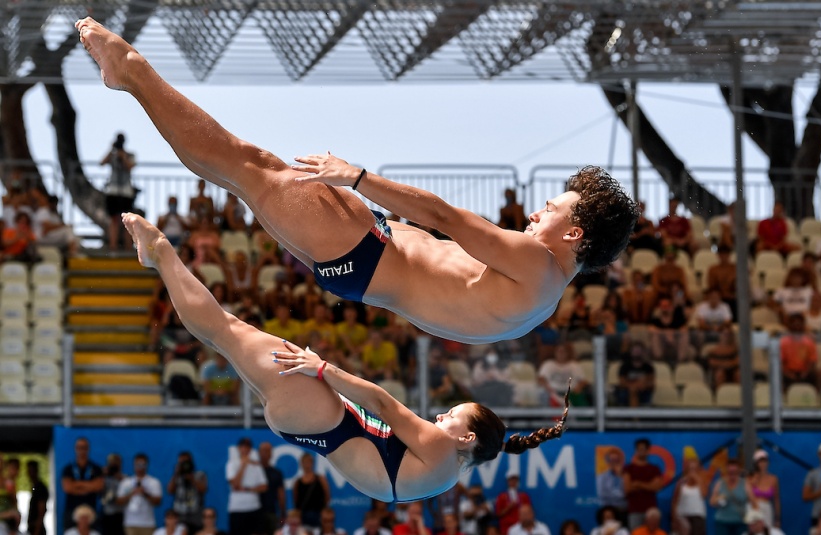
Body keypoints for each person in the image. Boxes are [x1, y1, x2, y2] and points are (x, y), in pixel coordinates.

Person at [76, 17, 637, 345]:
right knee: (243, 173)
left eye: (552, 208)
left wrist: (359, 178)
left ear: (574, 236)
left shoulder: (538, 265)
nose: (538, 212)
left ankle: (131, 72)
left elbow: (442, 218)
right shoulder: (540, 305)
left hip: (367, 250)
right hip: (359, 268)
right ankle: (130, 78)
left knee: (245, 163)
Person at [119, 212, 569, 504]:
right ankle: (159, 257)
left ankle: (160, 251)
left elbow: (385, 405)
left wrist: (323, 369)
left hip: (322, 414)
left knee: (227, 329)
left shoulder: (440, 448)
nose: (440, 413)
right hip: (312, 422)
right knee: (227, 331)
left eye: (452, 414)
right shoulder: (445, 474)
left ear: (467, 439)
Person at [100, 132, 136, 251]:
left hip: (126, 191)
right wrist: (111, 151)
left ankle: (128, 246)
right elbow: (101, 163)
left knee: (127, 220)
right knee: (114, 220)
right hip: (113, 191)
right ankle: (113, 246)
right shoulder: (113, 155)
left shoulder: (129, 154)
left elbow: (130, 166)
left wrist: (123, 156)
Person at [227, 437, 268, 535]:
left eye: (247, 447)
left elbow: (264, 487)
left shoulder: (257, 466)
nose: (245, 449)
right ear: (238, 448)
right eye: (242, 447)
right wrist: (243, 465)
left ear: (250, 449)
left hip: (254, 507)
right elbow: (235, 485)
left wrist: (247, 489)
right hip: (236, 508)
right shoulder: (231, 464)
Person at [61, 437, 104, 531]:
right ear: (75, 448)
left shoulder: (96, 468)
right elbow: (68, 488)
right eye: (79, 447)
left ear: (88, 449)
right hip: (71, 510)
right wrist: (89, 485)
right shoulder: (68, 469)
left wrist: (77, 484)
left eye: (84, 447)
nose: (82, 450)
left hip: (91, 511)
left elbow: (98, 486)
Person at [116, 453, 163, 535]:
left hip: (147, 524)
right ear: (134, 464)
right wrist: (131, 493)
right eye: (137, 464)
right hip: (130, 523)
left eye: (142, 464)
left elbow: (158, 502)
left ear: (146, 465)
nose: (139, 467)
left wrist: (145, 493)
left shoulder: (154, 482)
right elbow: (119, 501)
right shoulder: (126, 482)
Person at [624, 438, 663, 531]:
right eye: (639, 449)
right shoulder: (629, 468)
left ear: (648, 451)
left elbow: (657, 487)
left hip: (651, 511)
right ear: (636, 451)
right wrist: (648, 485)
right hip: (634, 510)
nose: (641, 452)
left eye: (644, 449)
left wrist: (638, 484)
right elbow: (627, 488)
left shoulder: (654, 469)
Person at [168, 451, 209, 534]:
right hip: (179, 518)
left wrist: (191, 478)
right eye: (181, 462)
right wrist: (175, 474)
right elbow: (170, 490)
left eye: (185, 462)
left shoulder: (200, 475)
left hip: (195, 518)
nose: (183, 465)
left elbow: (203, 489)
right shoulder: (177, 477)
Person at [710, 459, 753, 535]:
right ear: (727, 471)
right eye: (730, 472)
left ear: (739, 471)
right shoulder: (720, 483)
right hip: (722, 522)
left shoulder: (745, 483)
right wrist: (718, 499)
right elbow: (712, 501)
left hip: (740, 522)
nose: (732, 474)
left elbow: (753, 501)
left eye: (735, 472)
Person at [671, 452, 707, 535]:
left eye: (695, 469)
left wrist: (697, 478)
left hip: (698, 517)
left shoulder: (702, 481)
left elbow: (704, 494)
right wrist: (674, 519)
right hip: (683, 517)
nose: (693, 471)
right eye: (691, 469)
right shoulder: (681, 483)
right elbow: (674, 501)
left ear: (699, 469)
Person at [293, 453, 329, 528]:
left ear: (312, 463)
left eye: (309, 462)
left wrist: (323, 511)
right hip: (303, 515)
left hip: (318, 514)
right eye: (305, 462)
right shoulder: (297, 482)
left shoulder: (320, 479)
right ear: (301, 464)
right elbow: (296, 500)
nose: (307, 465)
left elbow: (327, 496)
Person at [259, 442, 287, 534]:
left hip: (271, 511)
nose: (266, 453)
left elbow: (281, 494)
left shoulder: (276, 473)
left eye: (268, 451)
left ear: (271, 454)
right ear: (259, 452)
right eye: (264, 450)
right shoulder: (252, 471)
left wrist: (283, 512)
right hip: (253, 512)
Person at [749, 451, 780, 529]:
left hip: (767, 509)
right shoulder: (751, 478)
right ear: (756, 464)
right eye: (760, 462)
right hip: (754, 508)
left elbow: (776, 500)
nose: (762, 464)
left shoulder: (773, 479)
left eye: (764, 461)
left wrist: (777, 519)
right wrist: (756, 477)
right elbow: (747, 495)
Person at [101, 453, 126, 535]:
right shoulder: (103, 478)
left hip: (122, 515)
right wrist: (101, 474)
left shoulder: (125, 479)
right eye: (111, 463)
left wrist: (120, 478)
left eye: (116, 462)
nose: (114, 465)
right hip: (107, 515)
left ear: (120, 464)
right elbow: (104, 499)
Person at [26, 460, 49, 535]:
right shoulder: (35, 487)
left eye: (31, 470)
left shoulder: (40, 488)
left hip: (37, 529)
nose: (29, 473)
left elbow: (41, 511)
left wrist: (37, 530)